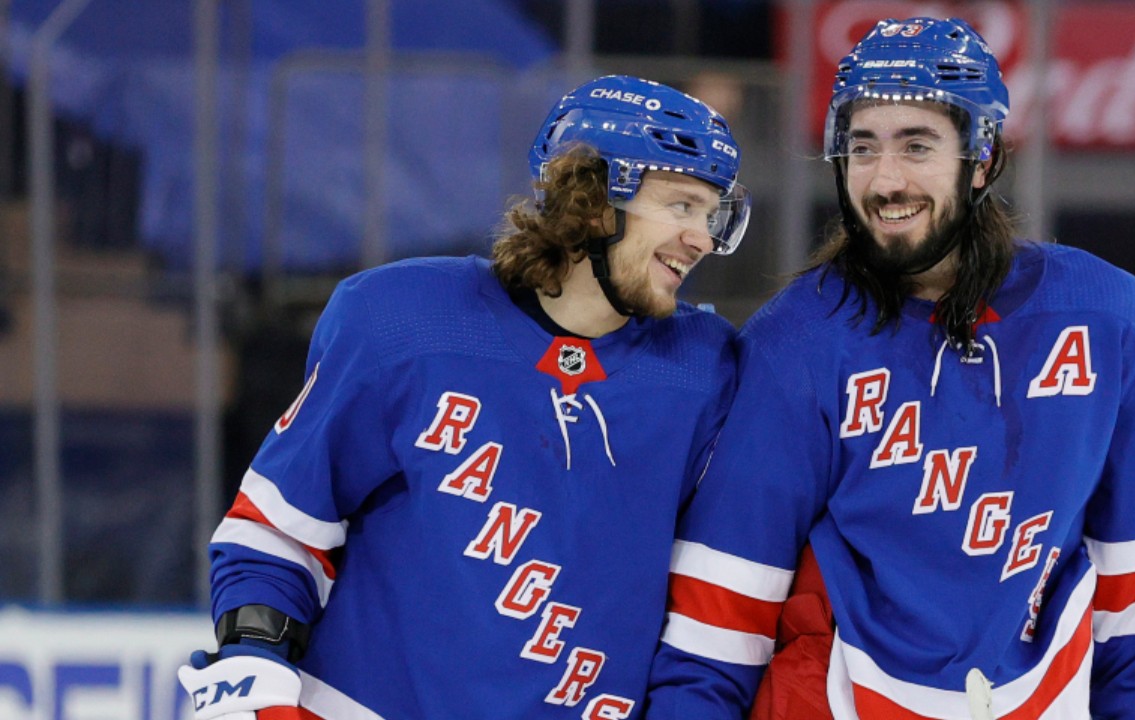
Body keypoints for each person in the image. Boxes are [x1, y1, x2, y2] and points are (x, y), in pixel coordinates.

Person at [645, 16, 1135, 720]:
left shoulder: (1111, 322)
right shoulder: (796, 343)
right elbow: (717, 628)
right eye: (863, 147)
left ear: (983, 159)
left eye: (917, 146)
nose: (885, 180)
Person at [177, 74, 750, 719]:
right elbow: (280, 531)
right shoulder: (401, 319)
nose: (702, 239)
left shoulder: (710, 373)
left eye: (712, 214)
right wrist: (253, 666)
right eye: (681, 207)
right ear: (591, 199)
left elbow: (714, 613)